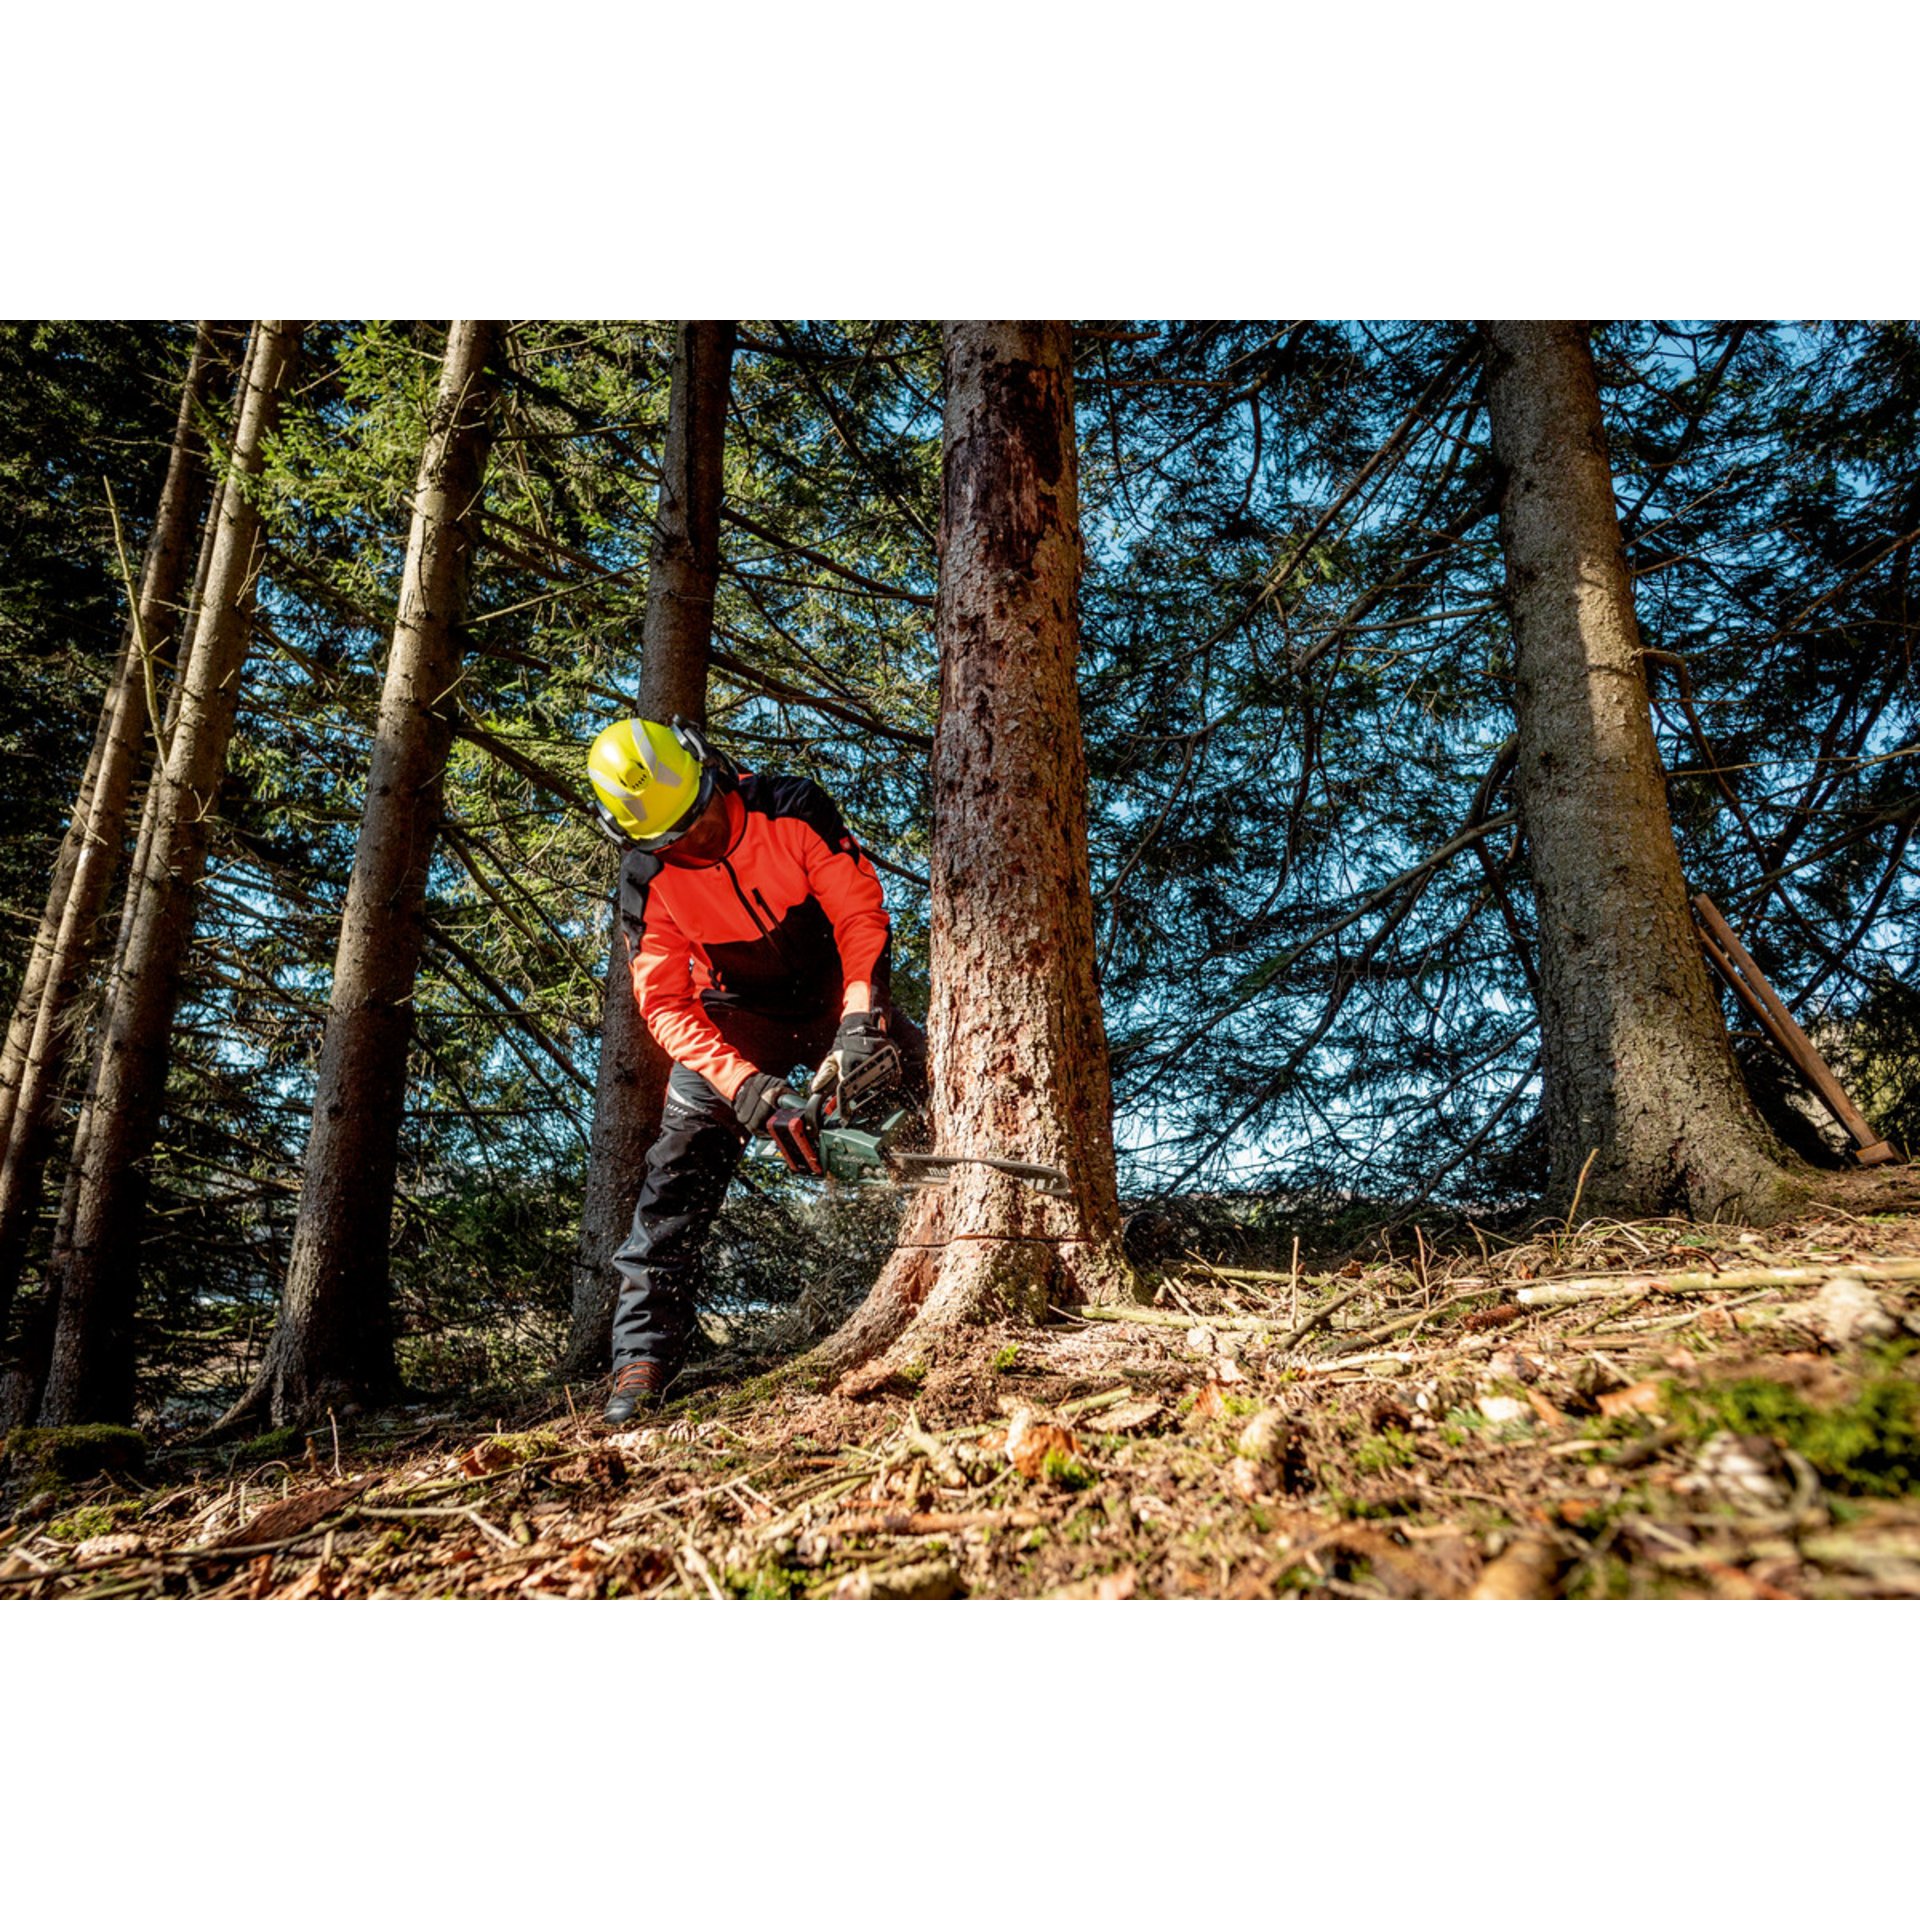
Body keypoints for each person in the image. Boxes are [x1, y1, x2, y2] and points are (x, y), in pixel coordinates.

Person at [584, 715, 924, 1425]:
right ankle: (641, 1359)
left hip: (833, 984)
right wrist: (747, 1090)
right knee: (677, 1167)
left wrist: (860, 1020)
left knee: (921, 1073)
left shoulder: (791, 807)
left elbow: (861, 916)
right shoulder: (647, 880)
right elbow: (667, 1004)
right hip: (734, 1012)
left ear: (711, 768)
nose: (695, 840)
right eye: (671, 836)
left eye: (699, 815)